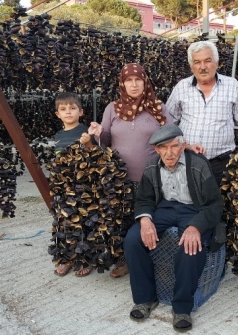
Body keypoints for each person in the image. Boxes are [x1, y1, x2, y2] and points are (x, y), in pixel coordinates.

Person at [123, 124, 223, 332]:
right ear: (157, 150)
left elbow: (214, 205)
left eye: (174, 147)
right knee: (133, 240)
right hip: (164, 209)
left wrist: (195, 226)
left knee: (190, 248)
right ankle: (145, 299)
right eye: (163, 148)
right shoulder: (151, 167)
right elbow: (143, 200)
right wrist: (145, 220)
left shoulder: (198, 165)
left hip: (194, 210)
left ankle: (182, 307)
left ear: (183, 146)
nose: (169, 153)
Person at [86, 62, 173, 278]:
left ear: (145, 82)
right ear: (122, 84)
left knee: (151, 220)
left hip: (152, 178)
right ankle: (126, 261)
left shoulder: (158, 108)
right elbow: (105, 141)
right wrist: (98, 132)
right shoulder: (112, 108)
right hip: (119, 179)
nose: (134, 85)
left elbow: (172, 136)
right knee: (123, 220)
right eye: (129, 80)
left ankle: (155, 259)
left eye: (138, 80)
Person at [165, 40, 238, 185]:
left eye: (208, 61)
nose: (203, 67)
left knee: (217, 205)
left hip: (221, 163)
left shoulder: (231, 85)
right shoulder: (182, 87)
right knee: (187, 204)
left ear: (217, 63)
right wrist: (181, 145)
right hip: (185, 160)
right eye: (197, 62)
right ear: (191, 67)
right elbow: (169, 123)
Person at [52, 92, 91, 277]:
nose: (68, 112)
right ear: (57, 114)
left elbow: (95, 155)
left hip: (83, 187)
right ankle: (67, 258)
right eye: (63, 109)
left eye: (72, 108)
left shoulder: (85, 132)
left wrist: (89, 143)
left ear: (81, 111)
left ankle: (86, 259)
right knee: (65, 223)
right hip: (64, 187)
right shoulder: (58, 135)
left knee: (85, 223)